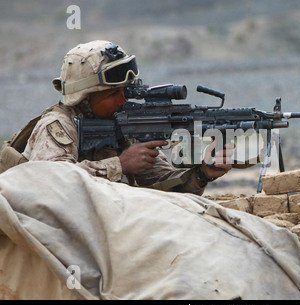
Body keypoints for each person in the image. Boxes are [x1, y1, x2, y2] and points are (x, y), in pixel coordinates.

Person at [0, 40, 232, 195]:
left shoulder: (124, 122)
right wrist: (120, 165)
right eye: (113, 93)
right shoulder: (58, 125)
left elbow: (160, 187)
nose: (124, 100)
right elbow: (49, 186)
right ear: (85, 97)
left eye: (127, 90)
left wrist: (201, 175)